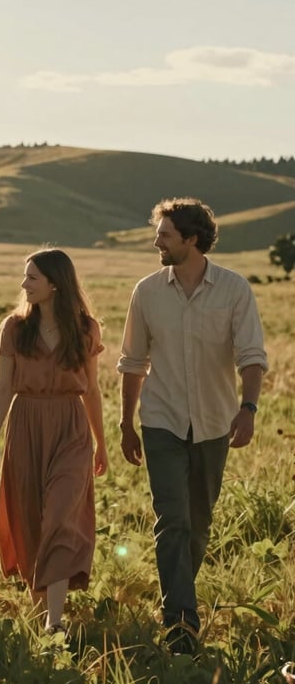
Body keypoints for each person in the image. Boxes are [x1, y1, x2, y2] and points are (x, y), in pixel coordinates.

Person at [118, 197, 267, 654]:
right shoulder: (146, 291)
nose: (156, 242)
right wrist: (126, 422)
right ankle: (181, 623)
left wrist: (248, 409)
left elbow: (252, 356)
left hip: (215, 422)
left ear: (191, 239)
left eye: (164, 235)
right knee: (173, 518)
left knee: (199, 523)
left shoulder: (234, 289)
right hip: (161, 420)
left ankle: (178, 597)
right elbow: (132, 362)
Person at [0, 248, 108, 634]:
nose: (24, 284)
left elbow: (93, 390)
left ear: (55, 284)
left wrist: (101, 442)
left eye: (32, 277)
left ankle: (55, 622)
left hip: (70, 428)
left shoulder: (86, 329)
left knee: (60, 516)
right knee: (32, 516)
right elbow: (4, 389)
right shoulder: (15, 328)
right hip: (26, 424)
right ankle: (42, 610)